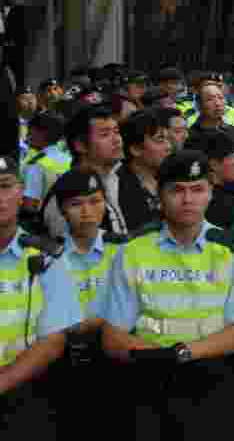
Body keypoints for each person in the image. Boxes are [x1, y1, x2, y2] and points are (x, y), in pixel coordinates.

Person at [99, 150, 234, 441]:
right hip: (149, 380)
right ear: (158, 196)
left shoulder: (232, 251)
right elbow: (113, 337)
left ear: (211, 194)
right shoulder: (133, 250)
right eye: (177, 190)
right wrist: (163, 358)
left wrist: (181, 353)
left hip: (214, 379)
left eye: (197, 190)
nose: (188, 200)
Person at [0, 154, 82, 437]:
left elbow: (54, 339)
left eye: (5, 185)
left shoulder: (47, 256)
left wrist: (4, 381)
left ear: (21, 191)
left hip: (23, 398)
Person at [47, 169, 124, 436]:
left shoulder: (125, 250)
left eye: (95, 201)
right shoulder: (48, 257)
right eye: (76, 204)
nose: (87, 212)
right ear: (62, 210)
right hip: (65, 367)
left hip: (119, 364)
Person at [46, 105, 128, 237]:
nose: (117, 140)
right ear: (80, 145)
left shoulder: (120, 178)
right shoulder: (65, 193)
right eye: (105, 134)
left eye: (117, 132)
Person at [116, 109, 170, 232]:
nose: (168, 146)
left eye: (167, 139)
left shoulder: (172, 178)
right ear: (136, 149)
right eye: (160, 140)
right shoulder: (118, 187)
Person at [21, 111, 70, 212]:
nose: (27, 136)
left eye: (30, 132)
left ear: (41, 133)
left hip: (45, 222)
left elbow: (29, 205)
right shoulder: (70, 159)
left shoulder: (36, 165)